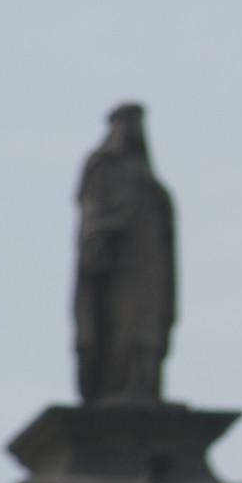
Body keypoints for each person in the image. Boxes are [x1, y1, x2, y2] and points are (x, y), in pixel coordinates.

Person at [74, 103, 177, 404]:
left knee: (147, 327)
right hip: (119, 271)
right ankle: (116, 387)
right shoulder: (103, 168)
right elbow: (93, 215)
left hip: (149, 269)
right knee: (121, 326)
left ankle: (144, 386)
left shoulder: (150, 183)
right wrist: (98, 239)